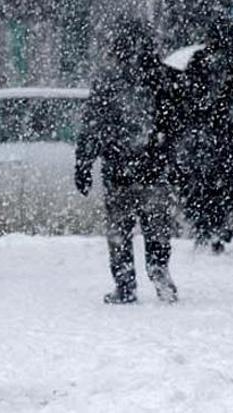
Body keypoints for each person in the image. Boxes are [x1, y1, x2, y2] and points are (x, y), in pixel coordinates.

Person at [75, 18, 179, 305]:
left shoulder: (108, 80)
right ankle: (159, 272)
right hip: (153, 168)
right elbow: (174, 125)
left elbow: (92, 126)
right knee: (156, 228)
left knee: (120, 231)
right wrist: (173, 160)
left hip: (119, 168)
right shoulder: (161, 77)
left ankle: (125, 284)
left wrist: (83, 164)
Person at [182, 16, 233, 254]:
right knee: (228, 186)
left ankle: (204, 227)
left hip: (205, 135)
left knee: (203, 185)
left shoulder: (199, 61)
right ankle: (219, 226)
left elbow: (186, 96)